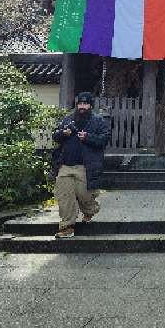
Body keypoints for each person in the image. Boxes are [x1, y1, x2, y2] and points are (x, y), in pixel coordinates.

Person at [51, 91, 110, 239]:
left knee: (84, 195)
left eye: (85, 104)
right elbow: (55, 135)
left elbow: (103, 140)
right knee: (65, 196)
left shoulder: (98, 121)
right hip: (65, 165)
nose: (82, 107)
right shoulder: (68, 119)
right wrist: (62, 133)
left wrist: (88, 137)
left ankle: (90, 209)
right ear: (76, 105)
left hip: (84, 166)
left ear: (90, 105)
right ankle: (67, 226)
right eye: (80, 104)